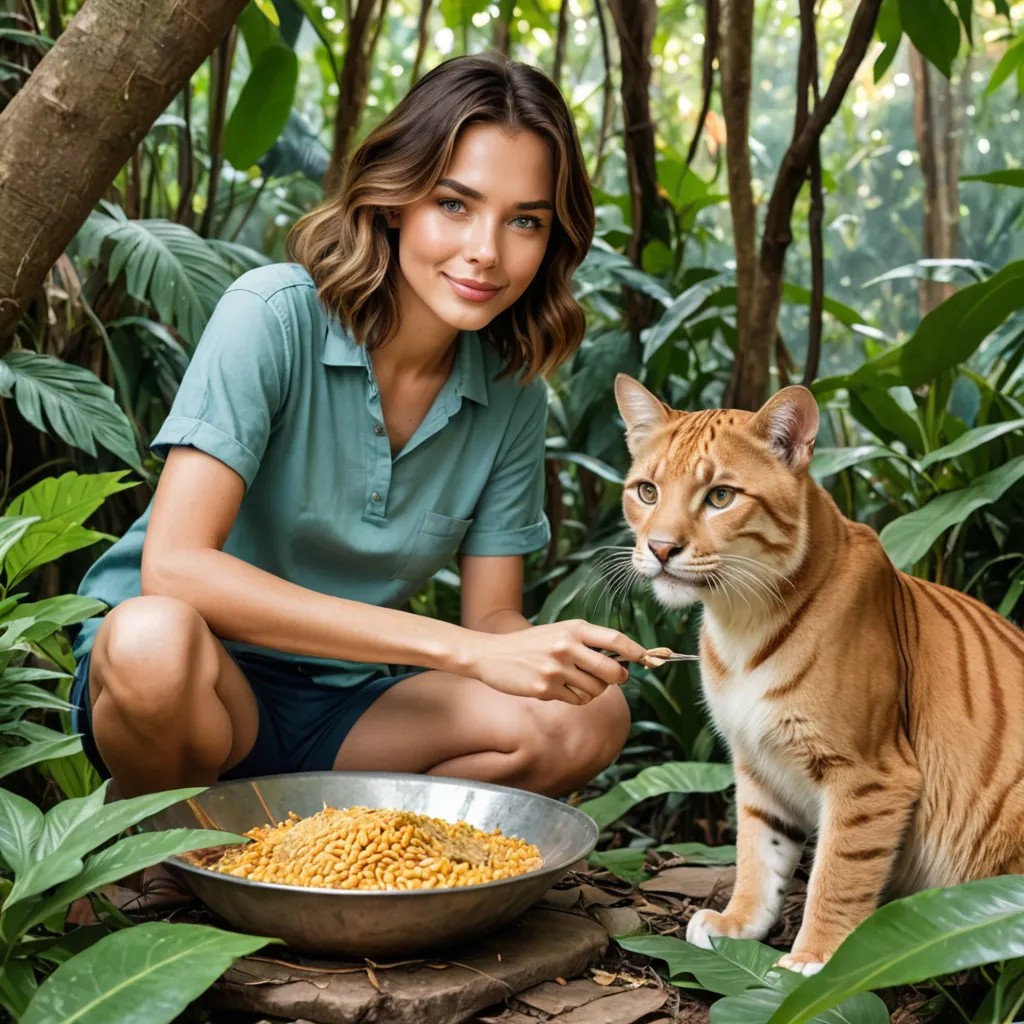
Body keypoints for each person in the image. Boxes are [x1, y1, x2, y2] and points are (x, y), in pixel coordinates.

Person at [69, 54, 644, 812]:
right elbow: (175, 569)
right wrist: (462, 650)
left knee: (588, 718)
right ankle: (160, 845)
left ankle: (339, 853)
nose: (486, 251)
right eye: (455, 204)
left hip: (352, 710)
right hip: (199, 691)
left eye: (525, 221)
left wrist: (547, 651)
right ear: (397, 198)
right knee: (150, 639)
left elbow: (491, 620)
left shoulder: (510, 391)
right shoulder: (271, 315)